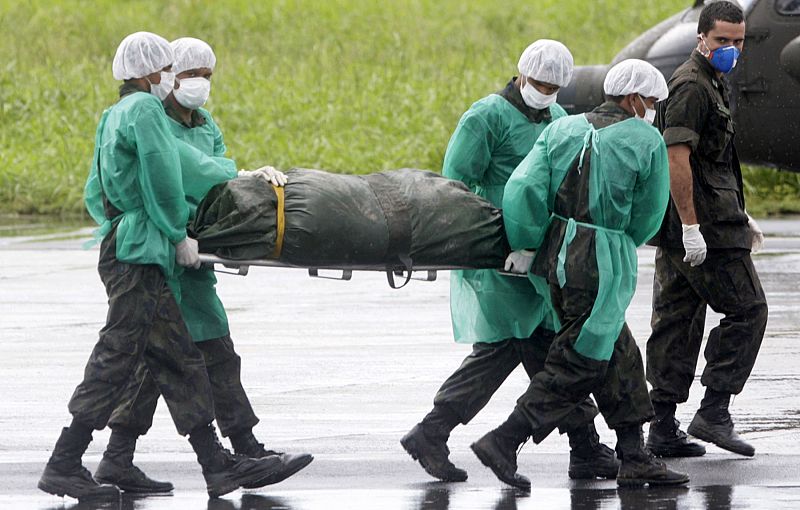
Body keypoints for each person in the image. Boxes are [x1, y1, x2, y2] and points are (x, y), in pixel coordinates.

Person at [37, 32, 296, 501]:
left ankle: (216, 467)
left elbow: (98, 191)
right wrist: (177, 233)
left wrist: (139, 227)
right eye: (168, 70)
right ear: (146, 72)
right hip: (142, 251)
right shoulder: (146, 112)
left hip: (132, 244)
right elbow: (163, 176)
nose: (173, 79)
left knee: (177, 359)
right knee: (117, 357)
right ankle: (65, 461)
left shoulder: (113, 114)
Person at [400, 40, 618, 484]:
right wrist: (484, 244)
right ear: (521, 75)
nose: (546, 92)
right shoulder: (486, 117)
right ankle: (583, 443)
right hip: (495, 250)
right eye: (540, 83)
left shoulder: (558, 120)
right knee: (529, 345)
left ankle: (436, 432)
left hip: (537, 253)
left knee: (531, 345)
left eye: (555, 86)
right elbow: (455, 185)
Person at [471, 59, 689, 490]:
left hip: (557, 256)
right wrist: (614, 241)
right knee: (579, 359)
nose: (653, 110)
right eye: (651, 101)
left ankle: (633, 453)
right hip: (602, 259)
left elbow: (522, 189)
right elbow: (647, 216)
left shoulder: (562, 128)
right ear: (633, 99)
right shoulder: (645, 139)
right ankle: (504, 439)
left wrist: (529, 243)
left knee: (617, 351)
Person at [646, 0, 767, 458]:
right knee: (749, 310)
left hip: (706, 219)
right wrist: (694, 226)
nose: (732, 50)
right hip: (703, 228)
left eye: (738, 42)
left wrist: (739, 210)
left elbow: (711, 162)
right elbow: (676, 159)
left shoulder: (712, 80)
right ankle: (714, 411)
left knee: (678, 319)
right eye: (722, 41)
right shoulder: (693, 86)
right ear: (702, 37)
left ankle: (660, 427)